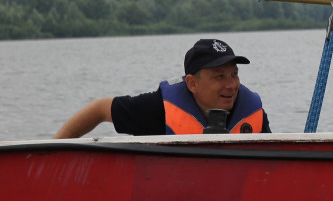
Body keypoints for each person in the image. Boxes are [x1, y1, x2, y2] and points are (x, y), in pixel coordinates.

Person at [54, 38, 270, 138]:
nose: (231, 85)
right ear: (192, 84)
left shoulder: (252, 112)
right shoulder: (159, 109)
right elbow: (100, 109)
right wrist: (51, 151)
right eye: (219, 76)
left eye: (234, 74)